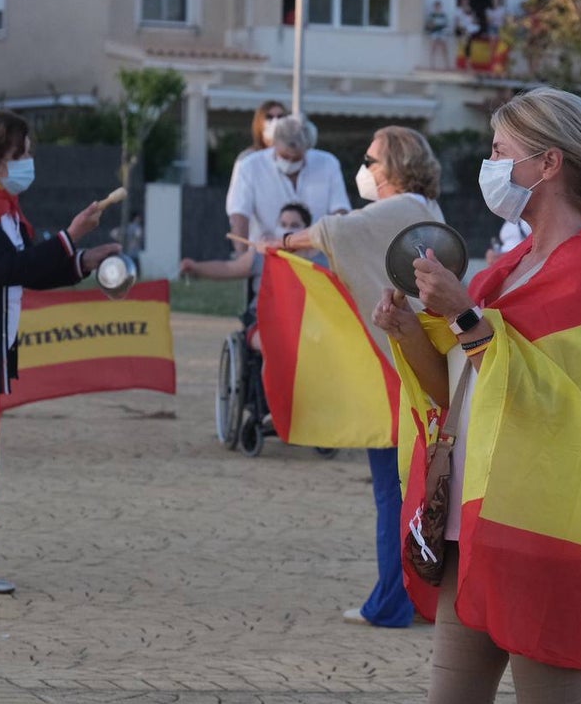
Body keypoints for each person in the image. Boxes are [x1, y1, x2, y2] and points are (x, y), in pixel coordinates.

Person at [372, 86, 581, 704]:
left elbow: (560, 411)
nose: (490, 163)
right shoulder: (504, 269)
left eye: (499, 150)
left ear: (548, 164)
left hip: (539, 530)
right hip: (471, 528)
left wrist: (463, 314)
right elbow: (462, 392)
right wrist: (409, 331)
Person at [0, 110, 120, 594]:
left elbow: (29, 269)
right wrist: (73, 235)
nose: (28, 163)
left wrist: (79, 258)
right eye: (22, 154)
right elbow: (7, 268)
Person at [279, 126, 446, 629]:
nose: (365, 168)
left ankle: (391, 603)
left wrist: (285, 241)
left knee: (392, 494)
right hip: (422, 369)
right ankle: (415, 597)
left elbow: (340, 231)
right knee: (416, 493)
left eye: (371, 159)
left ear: (394, 166)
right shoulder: (422, 210)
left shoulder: (401, 209)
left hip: (399, 375)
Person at [181, 203, 320, 352]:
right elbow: (228, 269)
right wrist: (196, 267)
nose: (287, 229)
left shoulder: (321, 262)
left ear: (306, 230)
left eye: (294, 225)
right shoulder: (261, 255)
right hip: (264, 321)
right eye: (283, 224)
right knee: (273, 343)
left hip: (306, 321)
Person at [226, 114, 349, 255]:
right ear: (274, 143)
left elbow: (340, 212)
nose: (290, 161)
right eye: (285, 156)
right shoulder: (250, 166)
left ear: (308, 148)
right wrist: (242, 256)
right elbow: (239, 214)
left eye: (296, 158)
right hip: (266, 256)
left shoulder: (328, 163)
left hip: (316, 257)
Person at [424, 0, 452, 71]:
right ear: (434, 7)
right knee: (433, 48)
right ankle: (432, 65)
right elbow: (429, 25)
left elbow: (446, 25)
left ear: (440, 7)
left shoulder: (443, 15)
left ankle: (447, 66)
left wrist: (440, 27)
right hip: (434, 33)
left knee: (444, 49)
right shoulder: (431, 15)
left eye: (439, 6)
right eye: (436, 6)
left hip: (442, 33)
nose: (438, 7)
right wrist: (433, 25)